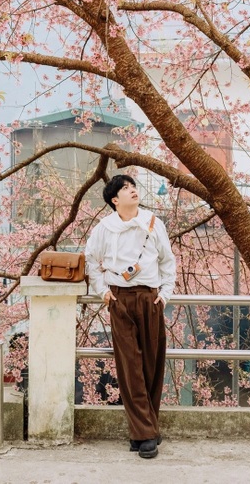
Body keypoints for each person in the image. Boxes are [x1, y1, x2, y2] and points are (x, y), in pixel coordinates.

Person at [85, 173, 176, 459]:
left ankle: (144, 429)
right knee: (130, 365)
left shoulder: (153, 223)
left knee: (151, 362)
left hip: (150, 298)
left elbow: (167, 260)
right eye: (125, 188)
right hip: (120, 299)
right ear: (114, 200)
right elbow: (91, 260)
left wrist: (165, 294)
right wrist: (102, 291)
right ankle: (146, 433)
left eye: (133, 187)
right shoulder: (104, 228)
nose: (133, 191)